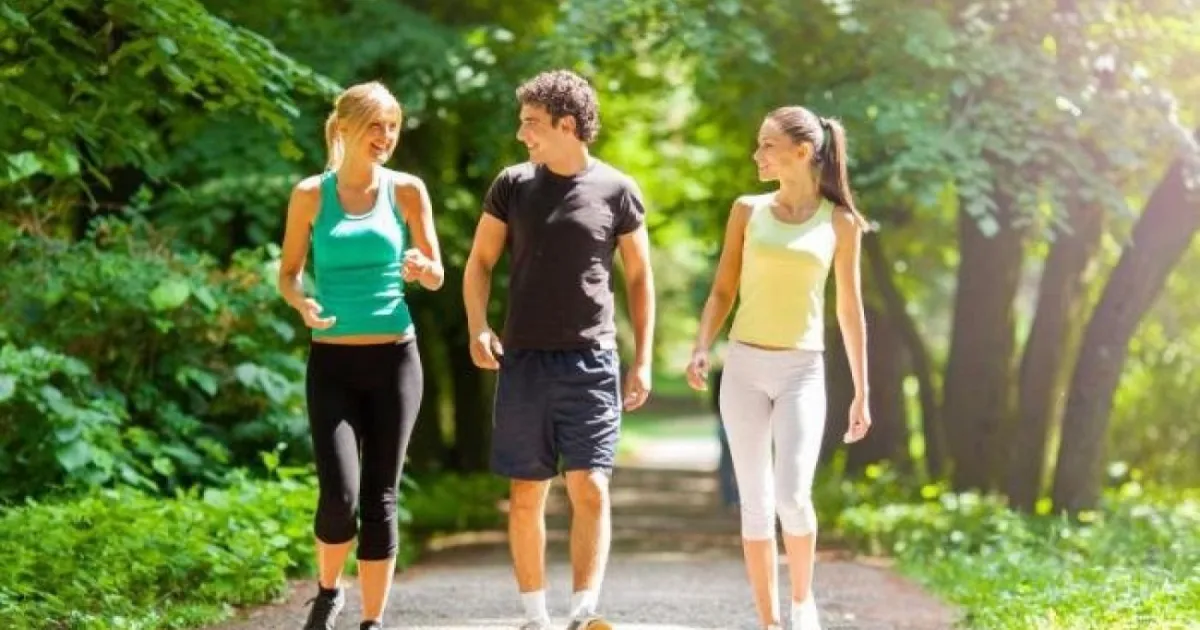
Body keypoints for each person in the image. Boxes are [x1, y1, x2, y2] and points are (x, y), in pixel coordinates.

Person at [463, 69, 656, 630]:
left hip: (591, 360)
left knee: (591, 485)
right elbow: (479, 262)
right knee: (526, 492)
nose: (523, 134)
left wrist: (642, 359)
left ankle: (583, 611)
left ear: (566, 125)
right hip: (523, 359)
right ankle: (534, 616)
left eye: (531, 124)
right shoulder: (512, 185)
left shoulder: (617, 189)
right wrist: (478, 326)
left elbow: (640, 277)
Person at [684, 106, 872, 630]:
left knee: (792, 495)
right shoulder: (748, 210)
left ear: (802, 152)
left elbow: (849, 310)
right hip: (744, 366)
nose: (757, 154)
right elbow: (723, 289)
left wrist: (862, 391)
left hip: (802, 371)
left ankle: (802, 603)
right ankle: (769, 623)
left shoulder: (840, 222)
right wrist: (702, 345)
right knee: (755, 502)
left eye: (768, 145)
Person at [277, 81, 444, 630]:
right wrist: (302, 304)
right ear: (344, 128)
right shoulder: (309, 195)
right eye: (375, 125)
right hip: (332, 365)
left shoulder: (407, 191)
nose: (386, 136)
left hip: (396, 359)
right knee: (339, 495)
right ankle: (328, 592)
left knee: (381, 495)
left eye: (393, 126)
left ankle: (373, 621)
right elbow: (289, 274)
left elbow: (437, 273)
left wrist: (422, 269)